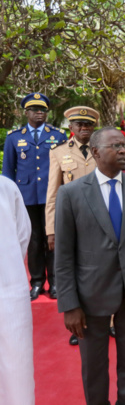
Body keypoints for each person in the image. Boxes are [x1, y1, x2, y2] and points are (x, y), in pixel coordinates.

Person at [54, 127, 125, 405]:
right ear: (95, 152)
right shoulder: (71, 194)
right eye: (115, 145)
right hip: (90, 297)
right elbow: (64, 255)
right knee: (93, 366)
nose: (123, 150)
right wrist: (69, 304)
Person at [45, 106, 101, 345]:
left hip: (103, 221)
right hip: (73, 225)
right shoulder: (58, 153)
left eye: (88, 125)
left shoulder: (103, 149)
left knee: (104, 269)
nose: (84, 128)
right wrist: (51, 229)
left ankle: (107, 321)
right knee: (76, 272)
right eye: (79, 125)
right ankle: (79, 322)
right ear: (71, 127)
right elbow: (53, 194)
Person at [2, 92, 67, 300]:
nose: (40, 113)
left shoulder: (58, 136)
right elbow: (8, 171)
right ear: (26, 112)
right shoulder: (15, 137)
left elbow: (66, 170)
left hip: (52, 198)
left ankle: (55, 282)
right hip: (26, 197)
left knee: (53, 240)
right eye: (35, 110)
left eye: (43, 110)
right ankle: (37, 282)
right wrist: (9, 201)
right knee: (34, 240)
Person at [0, 176, 33, 405]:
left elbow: (23, 233)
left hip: (9, 292)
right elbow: (24, 234)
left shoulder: (6, 187)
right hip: (8, 287)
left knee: (16, 369)